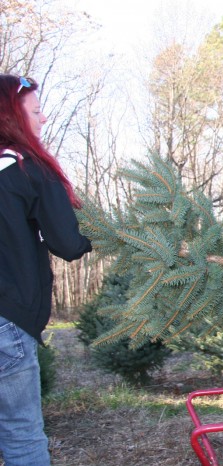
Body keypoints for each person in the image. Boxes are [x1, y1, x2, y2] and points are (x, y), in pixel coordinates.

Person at [0, 74, 92, 465]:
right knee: (21, 435)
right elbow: (68, 244)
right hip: (7, 320)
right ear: (11, 115)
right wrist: (96, 233)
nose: (42, 119)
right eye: (36, 111)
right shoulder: (26, 167)